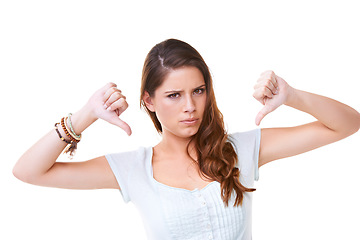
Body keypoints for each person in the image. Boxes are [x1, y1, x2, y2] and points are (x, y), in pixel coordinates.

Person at [13, 38, 360, 240]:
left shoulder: (239, 151)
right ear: (149, 100)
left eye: (198, 91)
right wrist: (84, 115)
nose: (190, 107)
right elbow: (28, 172)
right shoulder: (133, 169)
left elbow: (345, 125)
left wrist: (293, 95)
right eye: (174, 95)